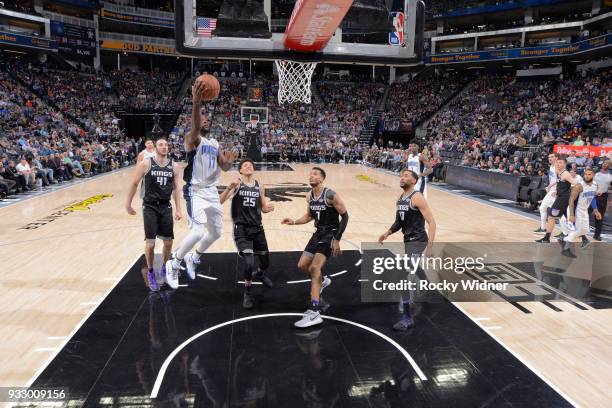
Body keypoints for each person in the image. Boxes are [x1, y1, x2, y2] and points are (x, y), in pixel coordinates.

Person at [165, 78, 238, 289]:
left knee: (215, 233)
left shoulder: (215, 144)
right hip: (195, 191)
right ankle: (174, 262)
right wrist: (197, 103)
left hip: (212, 192)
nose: (205, 121)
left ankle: (193, 257)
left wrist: (229, 162)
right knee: (197, 232)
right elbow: (195, 127)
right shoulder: (191, 138)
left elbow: (223, 167)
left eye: (206, 119)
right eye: (201, 119)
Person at [281, 167, 349, 328]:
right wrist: (294, 221)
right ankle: (323, 281)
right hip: (318, 234)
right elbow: (310, 216)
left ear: (322, 179)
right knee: (302, 265)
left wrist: (337, 240)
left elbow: (345, 216)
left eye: (315, 174)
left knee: (315, 268)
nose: (311, 176)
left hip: (330, 234)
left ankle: (314, 312)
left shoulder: (331, 195)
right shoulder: (309, 195)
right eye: (310, 173)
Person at [378, 169, 436, 331]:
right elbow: (399, 222)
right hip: (408, 240)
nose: (402, 178)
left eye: (406, 176)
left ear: (414, 181)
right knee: (413, 267)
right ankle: (426, 285)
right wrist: (387, 233)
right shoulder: (400, 198)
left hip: (418, 240)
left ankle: (407, 318)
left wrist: (430, 246)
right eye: (401, 175)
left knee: (401, 274)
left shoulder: (417, 197)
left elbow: (432, 222)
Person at [126, 137, 182, 291]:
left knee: (169, 242)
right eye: (160, 145)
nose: (164, 147)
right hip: (150, 206)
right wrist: (128, 204)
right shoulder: (146, 163)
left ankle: (165, 268)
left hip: (165, 206)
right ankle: (150, 272)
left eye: (166, 145)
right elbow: (134, 183)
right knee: (150, 244)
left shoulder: (174, 166)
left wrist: (178, 208)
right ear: (155, 147)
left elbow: (176, 189)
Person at [219, 158, 275, 309]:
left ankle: (261, 273)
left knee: (265, 263)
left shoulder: (259, 186)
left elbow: (263, 207)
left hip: (258, 228)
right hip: (242, 229)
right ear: (241, 171)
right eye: (245, 165)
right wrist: (227, 189)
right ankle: (248, 292)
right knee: (249, 262)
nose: (248, 166)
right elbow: (220, 201)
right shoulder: (237, 184)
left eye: (251, 165)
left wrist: (268, 208)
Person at [536, 157, 576, 243]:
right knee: (564, 218)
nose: (558, 164)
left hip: (563, 199)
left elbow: (576, 185)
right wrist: (557, 191)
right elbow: (561, 183)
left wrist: (571, 194)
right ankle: (579, 236)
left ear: (565, 164)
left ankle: (547, 238)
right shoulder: (558, 172)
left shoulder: (566, 174)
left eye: (560, 163)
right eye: (557, 163)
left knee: (551, 216)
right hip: (561, 197)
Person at [561, 168, 600, 250]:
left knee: (585, 230)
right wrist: (572, 214)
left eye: (589, 174)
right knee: (577, 230)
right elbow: (571, 200)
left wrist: (596, 211)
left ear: (593, 175)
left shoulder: (595, 185)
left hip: (584, 210)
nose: (587, 176)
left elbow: (592, 198)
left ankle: (564, 239)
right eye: (585, 174)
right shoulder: (579, 186)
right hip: (576, 209)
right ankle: (565, 248)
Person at [535, 153, 558, 233]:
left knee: (558, 213)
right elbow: (553, 179)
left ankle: (566, 233)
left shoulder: (557, 167)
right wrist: (549, 186)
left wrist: (554, 189)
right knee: (542, 208)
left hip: (556, 191)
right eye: (549, 157)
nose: (550, 158)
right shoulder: (551, 167)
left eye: (552, 157)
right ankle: (543, 228)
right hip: (551, 190)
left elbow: (561, 180)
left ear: (556, 158)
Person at [592, 160, 611, 241]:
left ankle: (597, 235)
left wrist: (606, 192)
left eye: (607, 164)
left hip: (603, 197)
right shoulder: (596, 173)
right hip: (591, 195)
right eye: (604, 163)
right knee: (584, 213)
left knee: (600, 216)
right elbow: (590, 183)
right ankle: (580, 232)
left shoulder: (610, 176)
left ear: (609, 166)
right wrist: (594, 191)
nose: (604, 164)